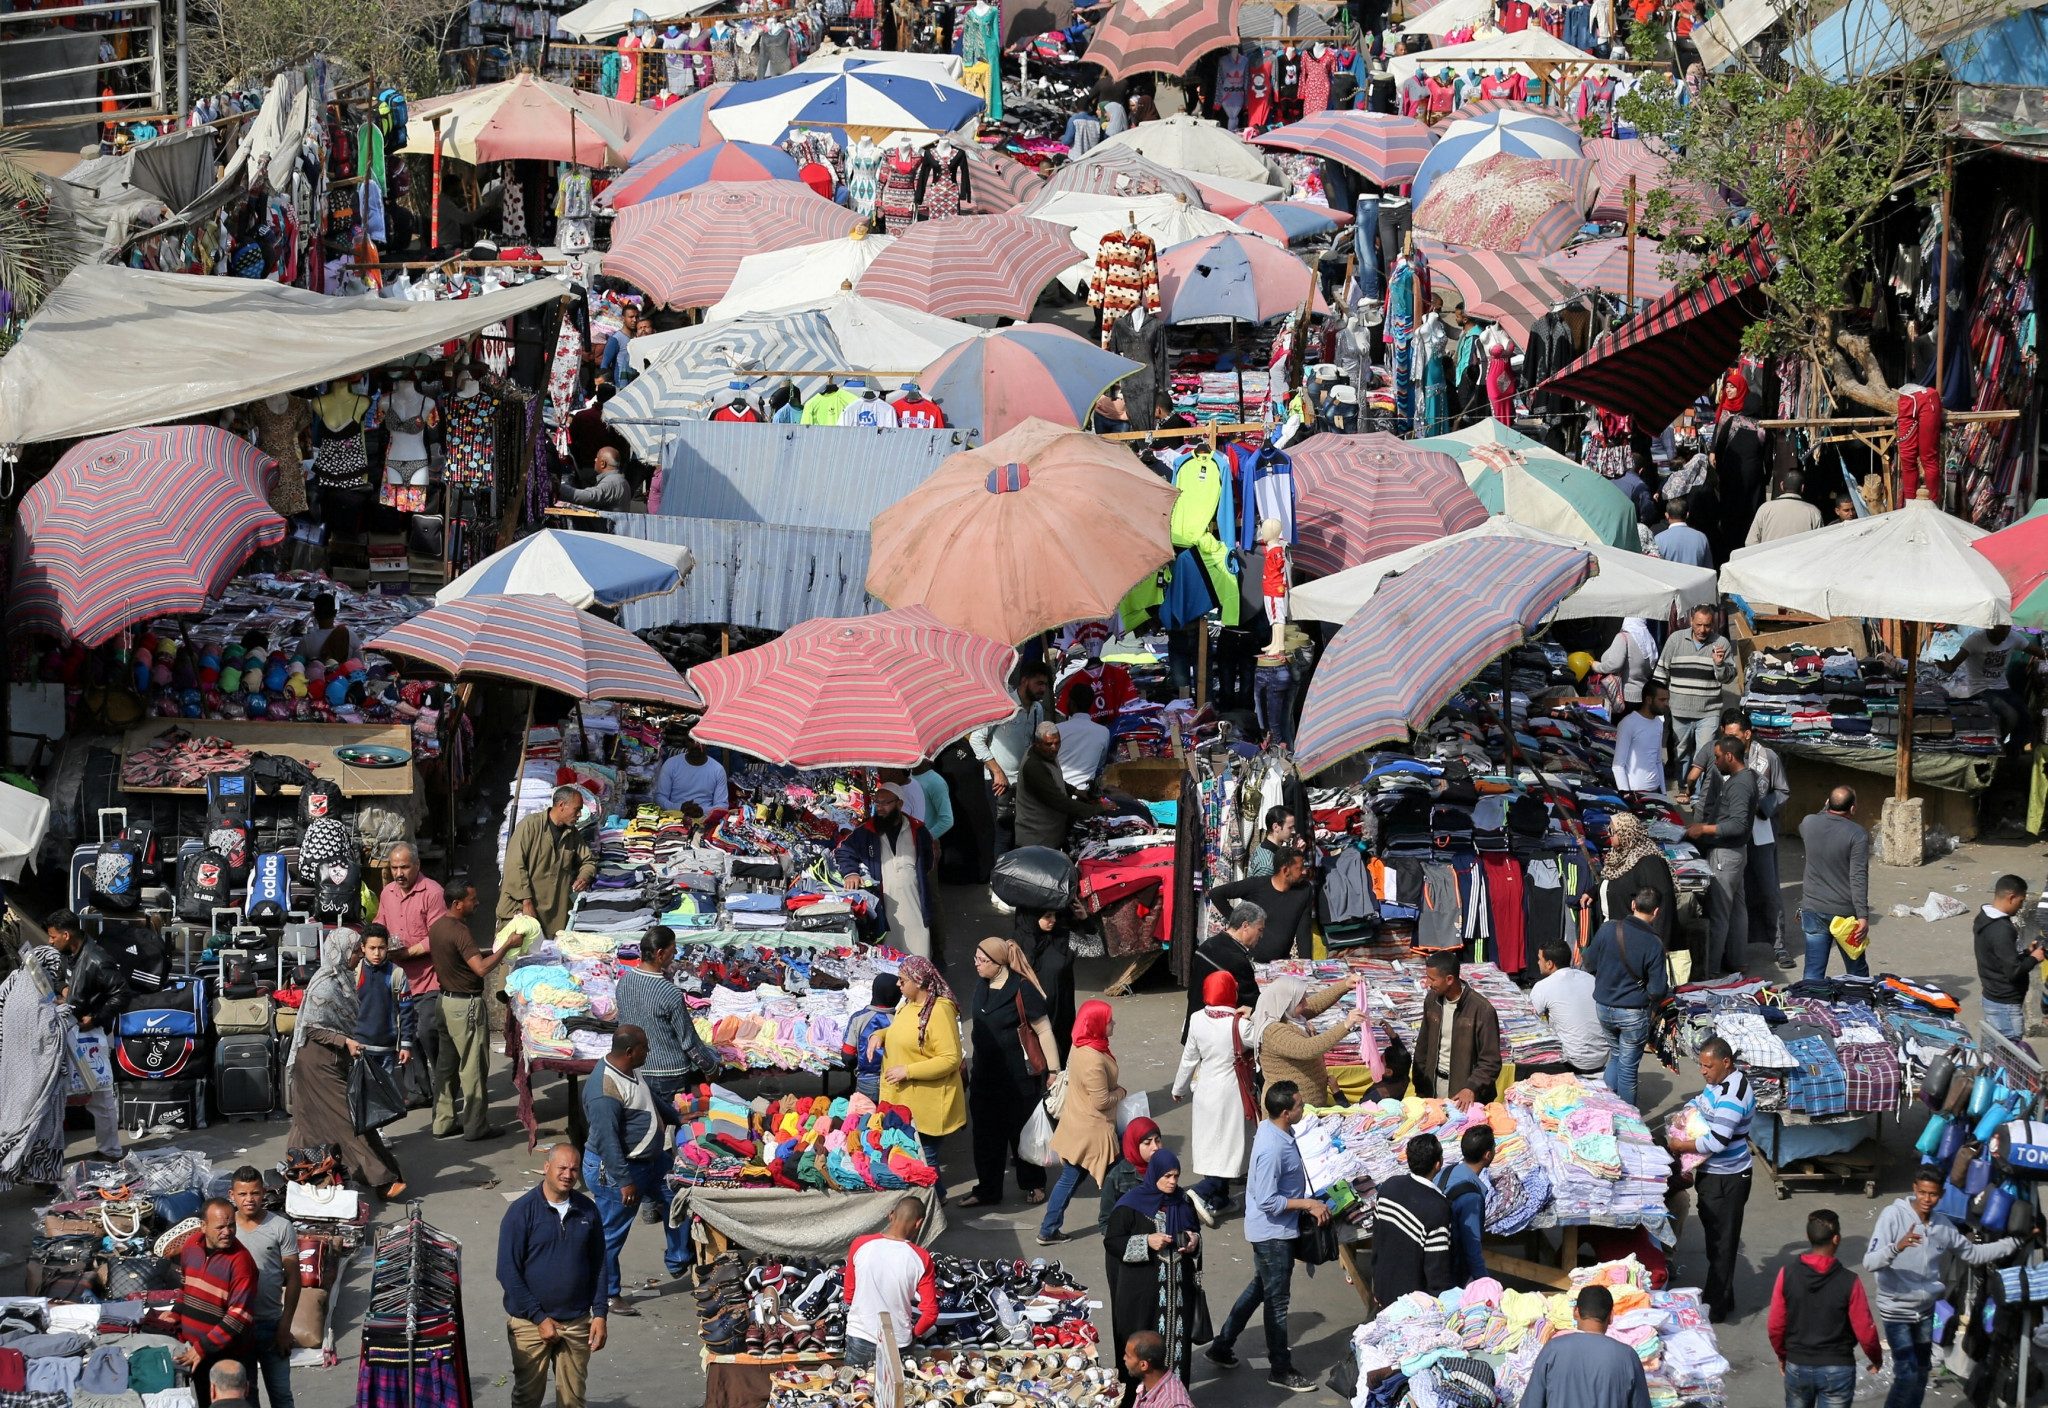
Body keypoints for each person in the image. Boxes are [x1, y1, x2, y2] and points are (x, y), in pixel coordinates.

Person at [1205, 1081, 1325, 1393]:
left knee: (1260, 1288)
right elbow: (1268, 1200)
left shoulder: (1276, 1131)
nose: (1303, 1109)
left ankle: (1222, 1345)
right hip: (1273, 1235)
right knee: (1277, 1303)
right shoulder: (1272, 1148)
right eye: (1299, 1106)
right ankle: (1280, 1369)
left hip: (1273, 1231)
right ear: (1286, 1113)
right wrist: (1308, 1204)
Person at [1864, 1166, 2018, 1408]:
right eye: (1922, 1193)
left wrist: (2014, 1242)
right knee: (1907, 1375)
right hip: (1896, 1311)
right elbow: (1870, 1262)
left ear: (1941, 1194)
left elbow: (1974, 1254)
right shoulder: (1892, 1216)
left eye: (1933, 1194)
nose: (1927, 1200)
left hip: (1925, 1311)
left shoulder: (1943, 1226)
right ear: (1914, 1188)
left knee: (1922, 1372)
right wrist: (1897, 1247)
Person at [286, 930, 404, 1197]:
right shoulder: (325, 984)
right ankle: (382, 1180)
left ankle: (300, 1170)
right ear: (338, 952)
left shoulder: (343, 980)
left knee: (308, 1122)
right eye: (354, 952)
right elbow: (312, 1028)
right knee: (348, 1120)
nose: (358, 956)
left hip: (333, 1060)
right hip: (317, 1063)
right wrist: (345, 1041)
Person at [582, 1025, 689, 1312]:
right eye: (645, 1047)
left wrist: (679, 1118)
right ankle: (606, 1294)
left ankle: (679, 1259)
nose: (649, 1051)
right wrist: (624, 1181)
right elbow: (607, 1141)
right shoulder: (604, 1091)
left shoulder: (630, 1069)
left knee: (679, 1199)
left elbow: (649, 1097)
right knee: (612, 1233)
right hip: (618, 1169)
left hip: (651, 1162)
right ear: (630, 1052)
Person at [499, 1144, 608, 1408]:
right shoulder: (521, 1212)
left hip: (576, 1321)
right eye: (561, 1167)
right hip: (529, 1324)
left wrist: (601, 1314)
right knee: (527, 1396)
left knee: (573, 1398)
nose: (568, 1174)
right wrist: (539, 1317)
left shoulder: (587, 1210)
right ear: (546, 1168)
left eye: (573, 1169)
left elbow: (600, 1264)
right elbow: (507, 1271)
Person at [1688, 709, 1792, 968]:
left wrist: (1760, 806)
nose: (1727, 739)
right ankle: (1734, 952)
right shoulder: (1721, 758)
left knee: (1768, 890)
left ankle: (1779, 946)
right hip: (1728, 840)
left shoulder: (1767, 758)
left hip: (1758, 834)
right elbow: (1708, 800)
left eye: (1733, 735)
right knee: (1734, 899)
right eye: (1725, 734)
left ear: (1747, 735)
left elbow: (1782, 791)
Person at [960, 938, 1057, 1209]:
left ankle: (1033, 1183)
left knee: (1022, 1132)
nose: (976, 964)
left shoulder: (1022, 989)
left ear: (999, 963)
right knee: (985, 1136)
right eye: (975, 959)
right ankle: (987, 1189)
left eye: (982, 960)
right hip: (985, 1075)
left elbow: (1044, 1030)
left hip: (1018, 1078)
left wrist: (1054, 1070)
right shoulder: (982, 985)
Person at [1105, 1151, 1207, 1398]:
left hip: (1179, 1295)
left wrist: (1194, 1241)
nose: (1173, 1181)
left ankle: (1173, 1400)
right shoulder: (1131, 1205)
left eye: (1176, 1176)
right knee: (1142, 1354)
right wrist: (1146, 1241)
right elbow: (1113, 1242)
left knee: (1176, 1351)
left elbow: (1194, 1232)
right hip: (1142, 1297)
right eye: (1167, 1176)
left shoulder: (1183, 1202)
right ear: (1154, 1175)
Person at [1666, 1036, 1754, 1322]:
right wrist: (1684, 1115)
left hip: (1728, 1178)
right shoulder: (1719, 1083)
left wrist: (1680, 1146)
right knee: (1716, 1239)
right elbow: (1700, 1103)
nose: (1703, 1071)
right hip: (1712, 1175)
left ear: (1725, 1062)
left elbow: (1716, 1142)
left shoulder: (1733, 1096)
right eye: (1701, 1065)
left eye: (1708, 1066)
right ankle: (1722, 1297)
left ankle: (1715, 1307)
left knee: (1722, 1243)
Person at [431, 880, 519, 1141]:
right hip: (465, 1006)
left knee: (446, 1067)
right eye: (472, 899)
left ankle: (443, 1122)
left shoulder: (437, 927)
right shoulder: (460, 932)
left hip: (445, 1002)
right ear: (458, 904)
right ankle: (475, 1126)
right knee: (473, 1068)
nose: (477, 903)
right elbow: (480, 968)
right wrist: (506, 947)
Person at [1768, 1208, 1883, 1407]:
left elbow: (1775, 1325)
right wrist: (1876, 1358)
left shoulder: (1786, 1275)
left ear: (1808, 1237)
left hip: (1798, 1364)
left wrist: (1783, 1355)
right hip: (1838, 1368)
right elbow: (1865, 1329)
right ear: (1836, 1238)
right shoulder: (1849, 1281)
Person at [1038, 1000, 1128, 1245]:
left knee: (1070, 1178)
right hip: (1094, 1133)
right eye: (1109, 1021)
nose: (1113, 1024)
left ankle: (1048, 1229)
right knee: (1120, 1178)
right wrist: (1121, 1092)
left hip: (1076, 1126)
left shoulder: (1081, 1045)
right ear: (1096, 1024)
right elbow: (1102, 1101)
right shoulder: (1094, 1059)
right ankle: (1117, 1226)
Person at [42, 909, 123, 1159]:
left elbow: (121, 993)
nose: (50, 941)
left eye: (53, 937)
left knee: (101, 1094)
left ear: (66, 935)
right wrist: (64, 990)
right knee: (59, 1095)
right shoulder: (70, 954)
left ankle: (111, 1151)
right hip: (71, 1029)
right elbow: (65, 982)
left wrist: (95, 1018)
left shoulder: (97, 960)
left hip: (91, 1035)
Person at [1172, 971, 1255, 1213]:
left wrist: (1179, 1088)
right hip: (1232, 1094)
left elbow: (1189, 1058)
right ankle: (1203, 1191)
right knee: (1229, 1147)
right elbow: (1264, 1038)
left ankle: (1220, 1201)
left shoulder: (1197, 1019)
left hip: (1206, 1090)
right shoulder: (1241, 1025)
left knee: (1212, 1145)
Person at [1584, 889, 1670, 1106]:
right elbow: (1658, 989)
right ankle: (1629, 1122)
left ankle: (1605, 1108)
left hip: (1603, 1007)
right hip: (1633, 1013)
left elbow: (1589, 963)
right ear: (1656, 912)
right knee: (1628, 1069)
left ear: (1633, 905)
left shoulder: (1608, 928)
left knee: (1615, 1055)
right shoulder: (1654, 943)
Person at [376, 844, 447, 1109]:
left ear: (417, 866)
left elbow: (438, 936)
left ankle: (446, 1083)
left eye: (404, 867)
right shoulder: (387, 894)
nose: (399, 873)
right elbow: (381, 924)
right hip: (399, 980)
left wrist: (409, 952)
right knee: (406, 1035)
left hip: (428, 978)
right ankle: (419, 1090)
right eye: (394, 867)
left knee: (428, 1031)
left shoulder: (433, 892)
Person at [879, 956, 965, 1174]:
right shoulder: (908, 1005)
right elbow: (905, 1032)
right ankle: (933, 1197)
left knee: (924, 1156)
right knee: (911, 1155)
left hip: (926, 1105)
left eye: (902, 980)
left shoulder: (939, 1012)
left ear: (918, 982)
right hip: (903, 1100)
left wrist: (907, 1071)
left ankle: (932, 1201)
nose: (898, 984)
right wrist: (880, 1035)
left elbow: (950, 1058)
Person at [0, 946, 75, 1187]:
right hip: (40, 1081)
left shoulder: (10, 987)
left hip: (12, 1074)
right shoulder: (38, 1000)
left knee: (15, 1120)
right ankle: (40, 1176)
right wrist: (64, 1014)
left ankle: (39, 1175)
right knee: (43, 1125)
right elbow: (48, 1035)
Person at [616, 925, 715, 1108]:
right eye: (673, 949)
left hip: (636, 1069)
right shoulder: (669, 992)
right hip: (669, 1074)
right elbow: (688, 1041)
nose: (676, 953)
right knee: (673, 1125)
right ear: (660, 953)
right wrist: (710, 1067)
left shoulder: (624, 982)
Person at [836, 782, 936, 960]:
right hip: (885, 904)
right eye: (877, 803)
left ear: (899, 804)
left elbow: (927, 861)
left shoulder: (918, 830)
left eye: (885, 803)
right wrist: (851, 872)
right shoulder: (866, 832)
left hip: (914, 902)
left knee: (919, 954)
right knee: (888, 957)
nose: (879, 808)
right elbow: (844, 850)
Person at [1686, 735, 1757, 978]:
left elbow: (1737, 824)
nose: (1714, 762)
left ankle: (1712, 969)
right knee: (1736, 909)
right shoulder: (1744, 779)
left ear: (1729, 756)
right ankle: (1738, 961)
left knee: (1719, 914)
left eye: (1717, 757)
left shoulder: (1739, 784)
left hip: (1726, 857)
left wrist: (1704, 829)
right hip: (1736, 854)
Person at [174, 1200, 257, 1406]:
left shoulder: (241, 1261)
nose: (227, 1232)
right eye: (220, 1227)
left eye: (231, 1226)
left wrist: (202, 1348)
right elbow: (186, 1287)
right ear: (203, 1226)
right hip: (196, 1353)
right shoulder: (191, 1246)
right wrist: (175, 1313)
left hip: (228, 1356)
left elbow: (239, 1317)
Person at [228, 1167, 299, 1408]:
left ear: (264, 1192)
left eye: (255, 1193)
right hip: (238, 1327)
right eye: (243, 1194)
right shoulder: (226, 1230)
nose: (249, 1199)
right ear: (232, 1195)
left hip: (272, 1325)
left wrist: (285, 1326)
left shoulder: (281, 1226)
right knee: (247, 1396)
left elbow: (294, 1278)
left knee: (281, 1395)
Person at [970, 660, 1057, 856]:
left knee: (1023, 835)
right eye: (1039, 683)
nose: (1043, 689)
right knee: (1003, 835)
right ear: (1025, 681)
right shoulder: (1002, 706)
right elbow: (976, 740)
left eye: (1045, 684)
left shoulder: (1037, 710)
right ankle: (999, 883)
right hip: (999, 783)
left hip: (1023, 783)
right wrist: (997, 772)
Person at [1518, 1284, 1652, 1408]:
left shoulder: (1553, 1349)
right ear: (1611, 1316)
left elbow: (1531, 1403)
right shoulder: (1627, 1356)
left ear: (1576, 1312)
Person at [843, 1197, 937, 1368]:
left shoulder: (861, 1244)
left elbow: (849, 1296)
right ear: (919, 1223)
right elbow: (930, 1313)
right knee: (895, 1393)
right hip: (898, 1341)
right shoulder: (921, 1258)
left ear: (890, 1215)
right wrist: (913, 1334)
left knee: (857, 1390)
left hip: (860, 1335)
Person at [1247, 974, 1361, 1108]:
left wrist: (1345, 985)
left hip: (1305, 1108)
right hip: (1289, 1110)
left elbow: (1315, 1004)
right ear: (1286, 1003)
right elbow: (1307, 1048)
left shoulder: (1287, 1014)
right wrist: (1345, 1025)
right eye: (1300, 1001)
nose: (1305, 1003)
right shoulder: (1273, 1031)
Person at [499, 786, 597, 941]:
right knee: (515, 957)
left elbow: (588, 861)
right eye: (576, 809)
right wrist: (526, 902)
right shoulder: (530, 825)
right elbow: (515, 866)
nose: (579, 815)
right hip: (520, 910)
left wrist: (584, 876)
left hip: (553, 914)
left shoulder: (572, 834)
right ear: (561, 806)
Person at [1595, 812, 1682, 979]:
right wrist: (1594, 891)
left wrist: (1660, 946)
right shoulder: (1619, 857)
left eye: (1612, 831)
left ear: (1627, 832)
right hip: (1616, 940)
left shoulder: (1649, 861)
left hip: (1636, 946)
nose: (1608, 834)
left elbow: (1663, 903)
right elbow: (1615, 881)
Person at [1371, 1133, 1455, 1303]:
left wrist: (1376, 1285)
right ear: (1438, 1164)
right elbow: (1436, 1269)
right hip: (1412, 1304)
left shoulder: (1389, 1185)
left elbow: (1377, 1241)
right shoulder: (1438, 1208)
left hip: (1383, 1288)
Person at [1656, 605, 1736, 782]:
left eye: (1707, 625)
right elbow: (1661, 672)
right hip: (1679, 711)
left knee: (1704, 756)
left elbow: (1729, 678)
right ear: (1691, 621)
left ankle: (1698, 797)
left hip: (1708, 712)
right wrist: (1657, 705)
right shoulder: (1675, 640)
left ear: (1713, 624)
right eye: (1699, 624)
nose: (1702, 630)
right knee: (1681, 754)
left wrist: (1720, 665)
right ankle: (1685, 786)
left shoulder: (1721, 643)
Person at [1412, 951, 1501, 1107]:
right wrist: (1420, 1085)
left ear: (1449, 979)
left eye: (1432, 979)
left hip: (1466, 1098)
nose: (1427, 983)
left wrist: (1472, 1087)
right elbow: (1422, 1046)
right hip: (1433, 1090)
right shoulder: (1432, 1001)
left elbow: (1490, 1061)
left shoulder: (1482, 1010)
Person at [1800, 787, 1872, 980]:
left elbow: (1818, 817)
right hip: (1845, 914)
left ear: (1827, 802)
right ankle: (1861, 1006)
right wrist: (1863, 915)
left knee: (1813, 972)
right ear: (1853, 808)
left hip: (1812, 908)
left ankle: (1809, 1005)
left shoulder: (1808, 823)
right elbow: (1858, 877)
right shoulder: (1858, 834)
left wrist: (1826, 808)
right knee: (1857, 973)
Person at [1207, 849, 1316, 962]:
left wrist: (1306, 965)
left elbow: (1303, 931)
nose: (1304, 872)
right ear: (1285, 870)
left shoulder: (1304, 890)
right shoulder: (1257, 886)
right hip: (1250, 961)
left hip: (1279, 964)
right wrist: (1237, 922)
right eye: (1300, 868)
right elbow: (1216, 894)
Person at [1015, 721, 1111, 850]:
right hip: (1036, 840)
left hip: (1049, 836)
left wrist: (1076, 791)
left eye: (1057, 742)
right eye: (1049, 744)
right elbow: (1058, 801)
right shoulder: (1034, 766)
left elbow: (1054, 779)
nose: (1054, 748)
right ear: (1037, 744)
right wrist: (1097, 809)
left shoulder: (1047, 754)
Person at [1935, 624, 2036, 745]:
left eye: (2007, 628)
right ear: (1990, 627)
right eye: (2000, 630)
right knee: (2010, 715)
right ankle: (1997, 744)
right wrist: (1947, 666)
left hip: (2002, 687)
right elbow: (1953, 665)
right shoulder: (1975, 640)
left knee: (2025, 715)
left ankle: (2013, 749)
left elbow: (2040, 652)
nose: (2004, 633)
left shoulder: (2013, 637)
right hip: (1980, 689)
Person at [1974, 874, 2042, 1040]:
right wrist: (2035, 958)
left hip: (1992, 997)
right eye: (2021, 901)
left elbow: (2001, 957)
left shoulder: (1984, 918)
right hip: (2005, 1006)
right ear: (2011, 897)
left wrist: (2027, 953)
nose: (2021, 906)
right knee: (2011, 1056)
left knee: (1993, 1054)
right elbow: (2013, 971)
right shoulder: (2001, 929)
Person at [1529, 939, 1610, 1078]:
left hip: (1573, 1061)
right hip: (1602, 1058)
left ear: (1549, 964)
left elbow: (1530, 1020)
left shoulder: (1543, 986)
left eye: (1539, 959)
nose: (1537, 963)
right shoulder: (1590, 978)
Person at [1185, 902, 1264, 1035]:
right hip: (1217, 1036)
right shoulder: (1236, 959)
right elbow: (1252, 1002)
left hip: (1195, 1026)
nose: (1261, 936)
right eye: (1260, 930)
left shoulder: (1206, 945)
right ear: (1245, 926)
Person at [351, 925, 413, 1088]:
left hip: (387, 1047)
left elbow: (406, 1012)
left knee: (383, 1096)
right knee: (361, 1095)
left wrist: (405, 1045)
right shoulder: (355, 972)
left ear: (388, 947)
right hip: (359, 1047)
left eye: (381, 948)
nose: (377, 953)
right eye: (372, 948)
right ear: (363, 948)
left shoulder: (397, 974)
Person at [1015, 906, 1078, 1058]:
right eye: (1048, 916)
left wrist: (1083, 919)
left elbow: (1095, 947)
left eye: (1055, 915)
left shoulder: (1061, 936)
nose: (1053, 920)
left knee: (1061, 1051)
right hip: (1035, 1012)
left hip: (1061, 1011)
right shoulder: (1019, 941)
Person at [1099, 1117, 1163, 1235]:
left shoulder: (1165, 1169)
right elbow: (1106, 1223)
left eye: (1158, 1140)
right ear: (1134, 1144)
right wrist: (1137, 1241)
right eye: (1147, 1143)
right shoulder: (1116, 1178)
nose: (1155, 1147)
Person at [841, 974, 898, 1101]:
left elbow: (847, 1055)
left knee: (866, 1119)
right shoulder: (900, 1019)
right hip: (894, 1081)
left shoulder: (858, 1018)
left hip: (866, 1081)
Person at [1611, 679, 1667, 792]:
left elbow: (1658, 761)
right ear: (1649, 700)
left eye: (1667, 700)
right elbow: (1618, 766)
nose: (1666, 704)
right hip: (1635, 793)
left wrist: (1664, 793)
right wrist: (1627, 796)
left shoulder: (1659, 722)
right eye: (1662, 700)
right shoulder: (1628, 723)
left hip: (1656, 791)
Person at [652, 732, 728, 814]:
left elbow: (722, 805)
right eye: (692, 741)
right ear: (686, 742)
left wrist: (702, 810)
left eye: (700, 741)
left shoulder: (717, 769)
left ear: (707, 743)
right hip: (674, 818)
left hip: (705, 819)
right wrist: (679, 807)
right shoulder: (671, 764)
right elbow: (659, 798)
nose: (695, 745)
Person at [1595, 618, 1658, 709]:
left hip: (1623, 697)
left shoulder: (1623, 637)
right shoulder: (1648, 640)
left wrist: (1597, 666)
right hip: (1642, 695)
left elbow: (1614, 664)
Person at [1124, 1329, 1196, 1408]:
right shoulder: (1150, 1381)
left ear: (1143, 1365)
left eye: (1128, 1356)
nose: (1124, 1358)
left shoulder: (1173, 1404)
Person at [558, 446, 635, 510]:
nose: (595, 460)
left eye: (597, 458)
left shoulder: (612, 482)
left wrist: (558, 488)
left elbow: (590, 496)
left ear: (603, 463)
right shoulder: (619, 480)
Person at [1057, 708, 1112, 791]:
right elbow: (1101, 763)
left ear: (1072, 704)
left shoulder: (1057, 728)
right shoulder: (1104, 732)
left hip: (1060, 790)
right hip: (1084, 793)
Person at [1653, 496, 1714, 568]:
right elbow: (1708, 569)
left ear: (1667, 515)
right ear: (1687, 515)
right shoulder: (1701, 537)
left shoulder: (1658, 539)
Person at [1245, 807, 1298, 877]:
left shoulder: (1268, 848)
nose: (1294, 831)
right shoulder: (1267, 865)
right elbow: (1264, 887)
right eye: (1290, 827)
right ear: (1275, 827)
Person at [298, 593, 351, 662]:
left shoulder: (306, 641)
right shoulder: (350, 636)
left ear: (314, 614)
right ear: (335, 613)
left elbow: (295, 664)